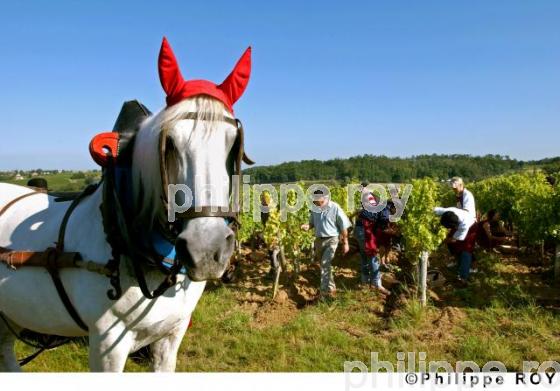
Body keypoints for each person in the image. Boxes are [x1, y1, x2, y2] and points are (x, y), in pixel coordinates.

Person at [301, 189, 351, 298]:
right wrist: (307, 226)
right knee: (325, 265)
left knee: (325, 263)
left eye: (316, 200)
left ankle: (323, 292)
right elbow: (311, 223)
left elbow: (344, 226)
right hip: (319, 240)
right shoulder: (315, 208)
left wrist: (345, 243)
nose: (314, 202)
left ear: (323, 198)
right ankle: (332, 288)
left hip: (332, 239)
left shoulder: (334, 207)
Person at [434, 206, 477, 285]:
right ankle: (458, 262)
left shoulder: (464, 226)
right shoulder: (447, 212)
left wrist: (440, 241)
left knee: (466, 250)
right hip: (459, 222)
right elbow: (432, 209)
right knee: (454, 246)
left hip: (471, 227)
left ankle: (463, 278)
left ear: (455, 226)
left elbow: (455, 240)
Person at [359, 197, 391, 295]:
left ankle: (364, 282)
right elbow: (383, 224)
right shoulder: (385, 209)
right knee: (372, 255)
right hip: (366, 230)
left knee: (364, 255)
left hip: (359, 229)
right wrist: (392, 231)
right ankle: (377, 284)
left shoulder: (379, 205)